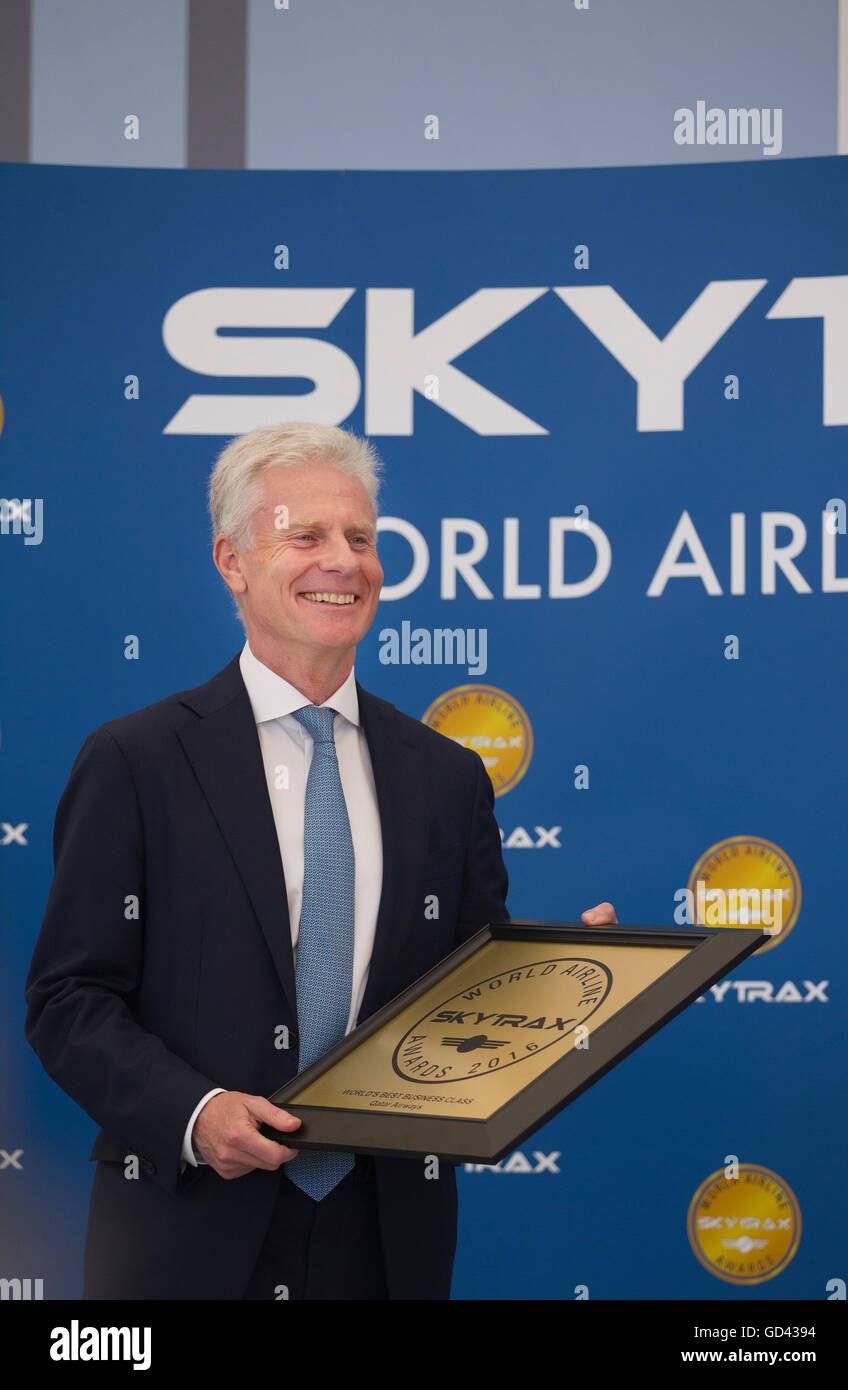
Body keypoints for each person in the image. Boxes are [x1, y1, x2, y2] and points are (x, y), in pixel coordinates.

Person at [24, 422, 617, 1300]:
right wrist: (194, 1115)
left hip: (387, 1241)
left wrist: (558, 981)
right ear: (231, 560)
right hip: (188, 1232)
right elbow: (68, 1000)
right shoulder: (135, 761)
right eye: (305, 536)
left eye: (361, 538)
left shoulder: (446, 777)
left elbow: (463, 1004)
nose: (343, 561)